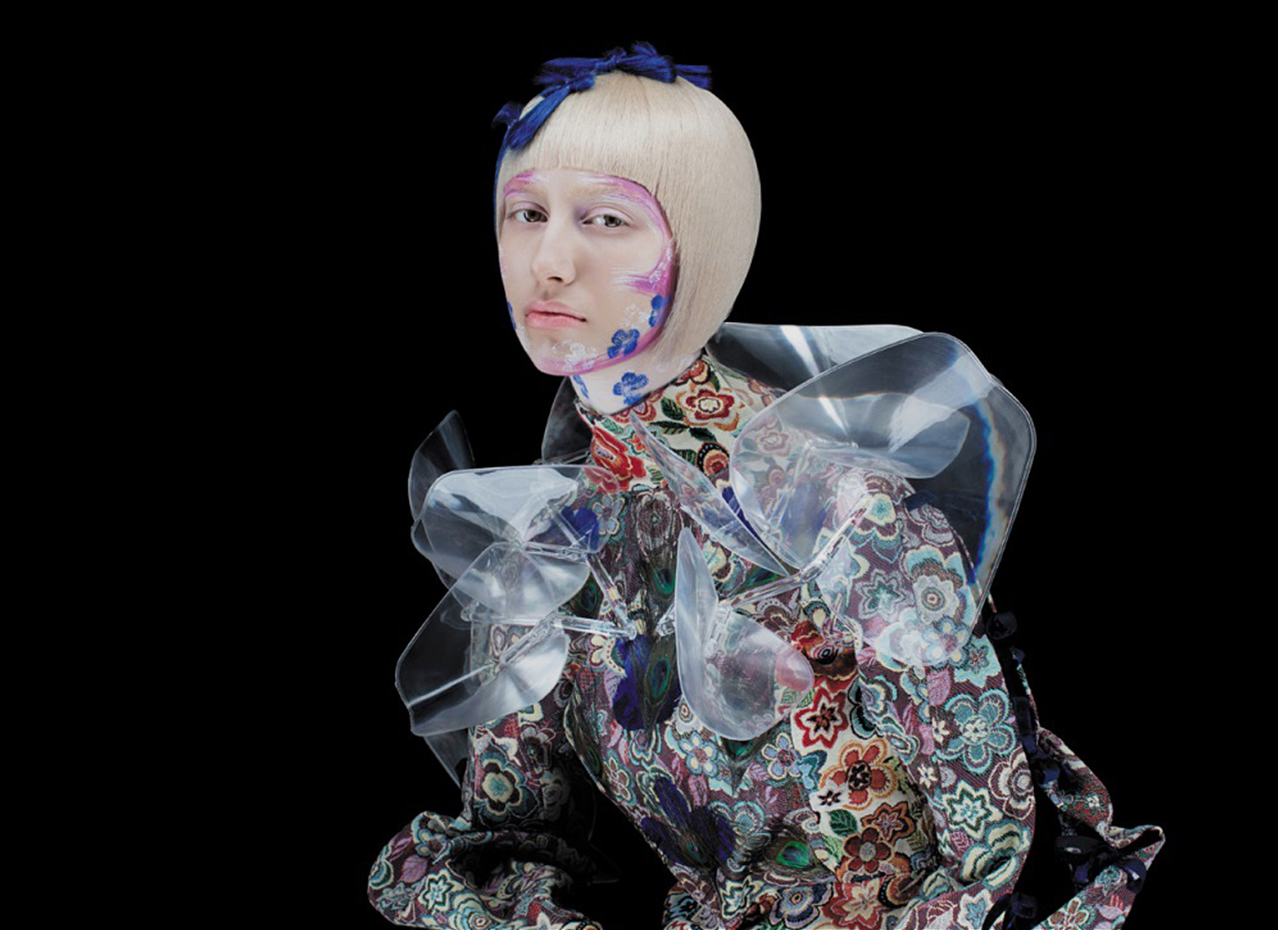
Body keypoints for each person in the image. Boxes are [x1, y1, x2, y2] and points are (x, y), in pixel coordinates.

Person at [368, 43, 1162, 930]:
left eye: (606, 219)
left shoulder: (836, 507)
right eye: (526, 212)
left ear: (700, 244)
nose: (547, 262)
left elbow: (989, 846)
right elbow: (516, 831)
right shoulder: (549, 546)